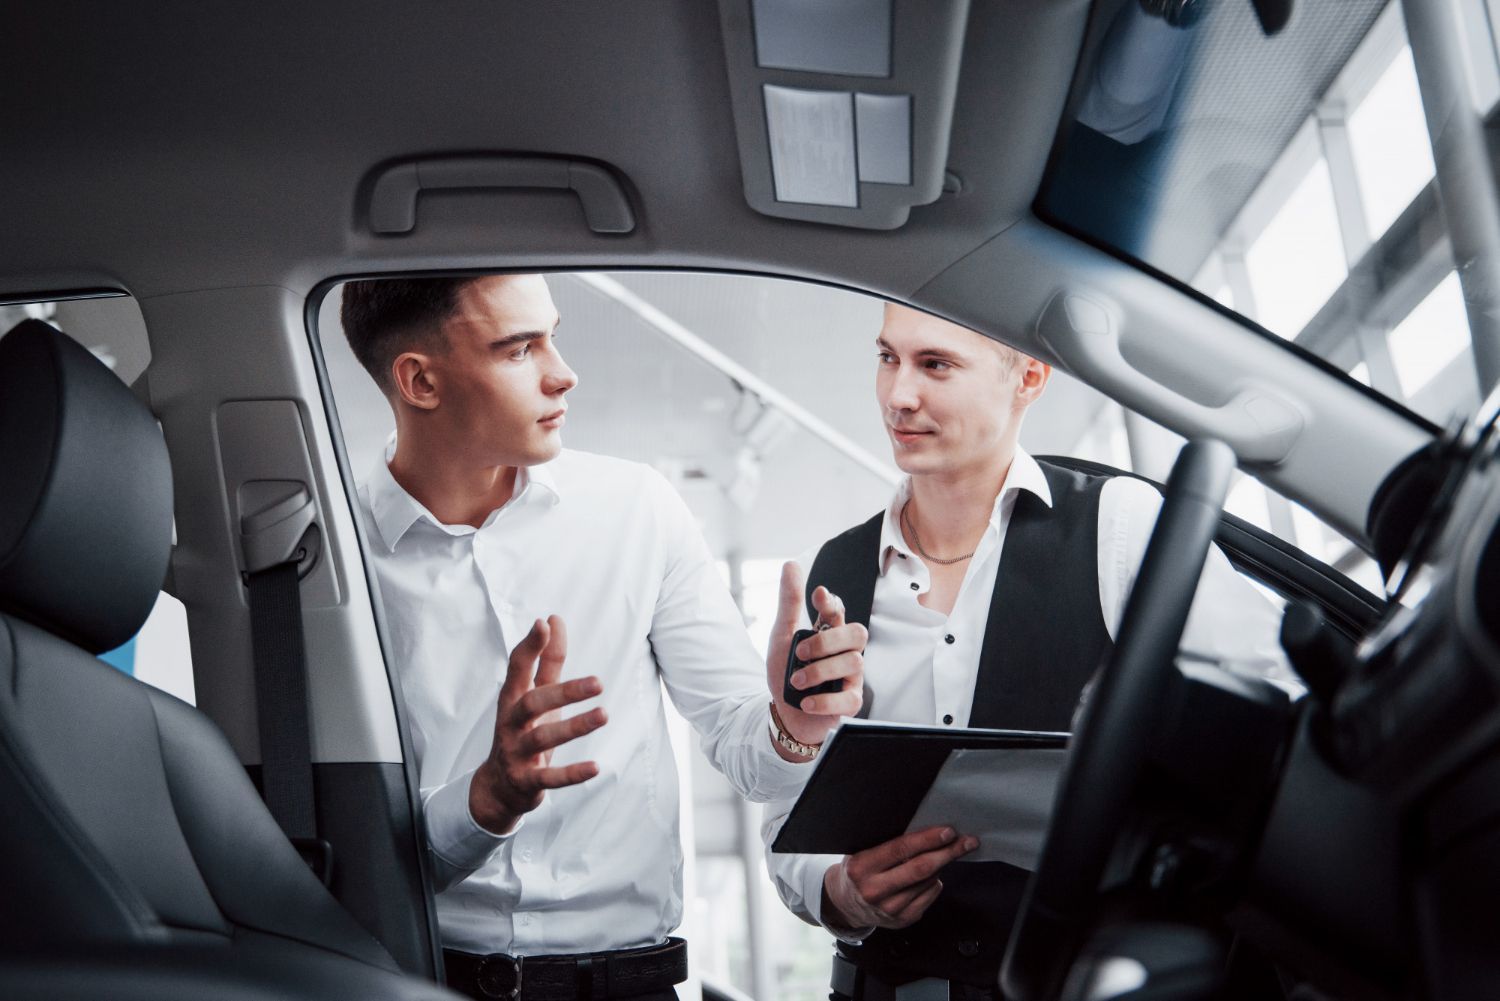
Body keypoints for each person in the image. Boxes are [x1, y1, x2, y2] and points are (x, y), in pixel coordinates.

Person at [339, 274, 867, 1001]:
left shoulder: (637, 510)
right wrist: (484, 800)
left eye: (552, 334)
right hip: (429, 982)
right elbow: (348, 859)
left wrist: (794, 722)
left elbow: (759, 766)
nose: (564, 372)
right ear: (420, 380)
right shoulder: (337, 556)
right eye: (520, 349)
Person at [762, 303, 1290, 1000]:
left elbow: (1275, 722)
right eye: (888, 357)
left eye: (936, 364)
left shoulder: (1121, 528)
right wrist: (842, 891)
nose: (899, 395)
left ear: (1030, 377)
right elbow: (782, 813)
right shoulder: (825, 572)